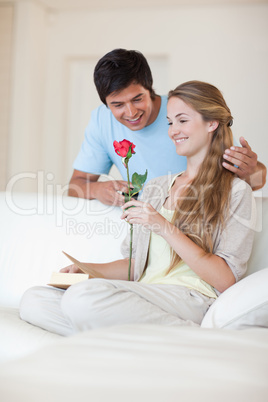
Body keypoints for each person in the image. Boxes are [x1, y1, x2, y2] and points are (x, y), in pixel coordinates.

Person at [20, 81, 256, 336]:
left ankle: (191, 337)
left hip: (189, 298)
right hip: (144, 294)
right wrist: (88, 270)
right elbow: (136, 266)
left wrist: (163, 226)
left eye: (182, 120)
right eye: (169, 122)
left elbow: (225, 279)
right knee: (35, 300)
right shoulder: (157, 187)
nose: (173, 131)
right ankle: (140, 336)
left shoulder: (235, 191)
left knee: (83, 299)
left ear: (212, 123)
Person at [68, 48, 266, 207]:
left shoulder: (183, 111)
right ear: (106, 104)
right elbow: (75, 185)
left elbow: (247, 182)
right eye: (117, 105)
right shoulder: (101, 121)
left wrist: (252, 171)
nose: (130, 112)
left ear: (150, 88)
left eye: (138, 99)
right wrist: (97, 190)